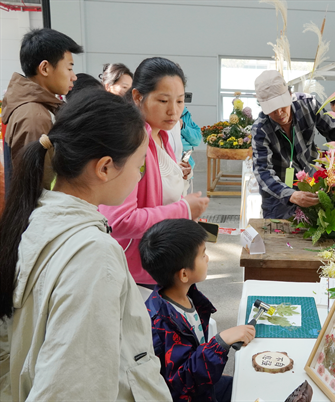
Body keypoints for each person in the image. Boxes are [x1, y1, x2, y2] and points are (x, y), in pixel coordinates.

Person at [0, 89, 171, 400]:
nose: (139, 177)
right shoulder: (93, 255)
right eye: (139, 166)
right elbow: (71, 389)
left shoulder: (38, 216)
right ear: (105, 168)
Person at [99, 57, 209, 287]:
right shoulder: (131, 143)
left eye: (180, 101)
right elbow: (119, 220)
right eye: (163, 100)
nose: (173, 110)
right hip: (137, 271)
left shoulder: (162, 136)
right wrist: (183, 210)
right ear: (138, 96)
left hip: (162, 265)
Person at [140, 219, 255, 402]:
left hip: (205, 386)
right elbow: (183, 382)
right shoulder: (161, 325)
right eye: (203, 255)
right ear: (184, 274)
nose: (207, 258)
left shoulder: (187, 295)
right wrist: (220, 343)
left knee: (250, 385)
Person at [252, 70, 335, 219]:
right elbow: (263, 171)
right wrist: (291, 195)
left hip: (311, 186)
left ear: (289, 95)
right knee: (278, 231)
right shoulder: (261, 129)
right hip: (278, 197)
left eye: (282, 105)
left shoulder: (308, 105)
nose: (279, 113)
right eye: (272, 109)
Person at [2, 28, 83, 194]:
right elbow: (35, 190)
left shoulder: (37, 109)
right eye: (69, 68)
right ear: (45, 68)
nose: (74, 76)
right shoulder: (34, 117)